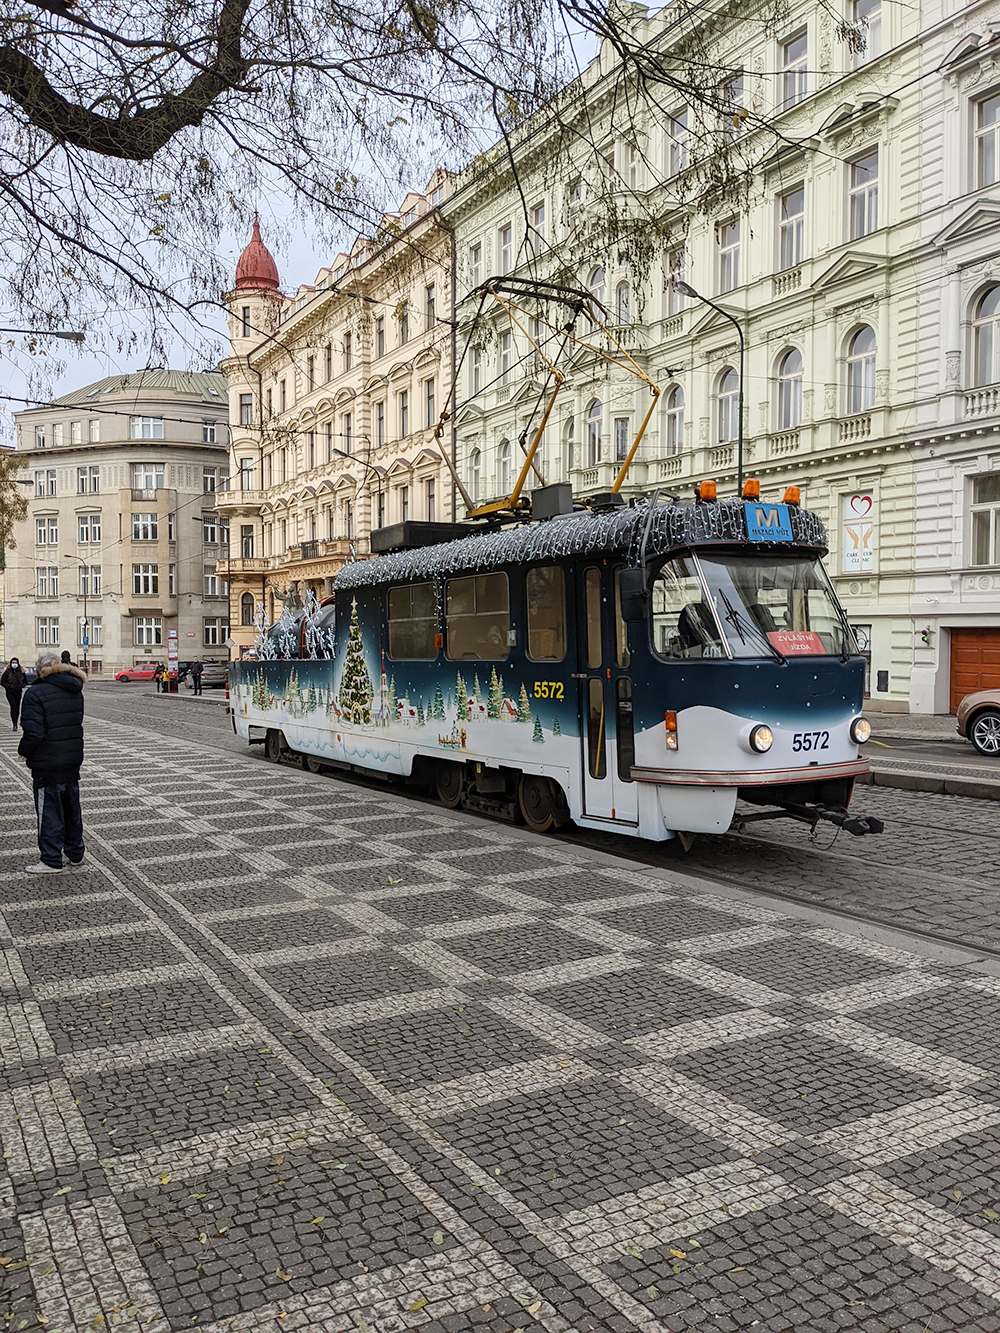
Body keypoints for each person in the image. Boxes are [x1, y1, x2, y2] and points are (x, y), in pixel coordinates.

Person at [18, 650, 86, 874]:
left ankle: (50, 860)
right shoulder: (74, 689)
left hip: (48, 762)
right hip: (72, 759)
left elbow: (34, 733)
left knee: (49, 812)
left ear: (39, 670)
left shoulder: (35, 693)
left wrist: (24, 751)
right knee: (71, 808)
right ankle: (75, 854)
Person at [1, 657, 28, 730]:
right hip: (10, 692)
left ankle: (16, 720)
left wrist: (21, 686)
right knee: (13, 707)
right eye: (13, 663)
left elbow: (25, 682)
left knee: (17, 707)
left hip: (18, 691)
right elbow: (3, 682)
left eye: (15, 663)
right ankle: (14, 723)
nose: (14, 664)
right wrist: (9, 686)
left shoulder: (21, 672)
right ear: (10, 663)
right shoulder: (7, 672)